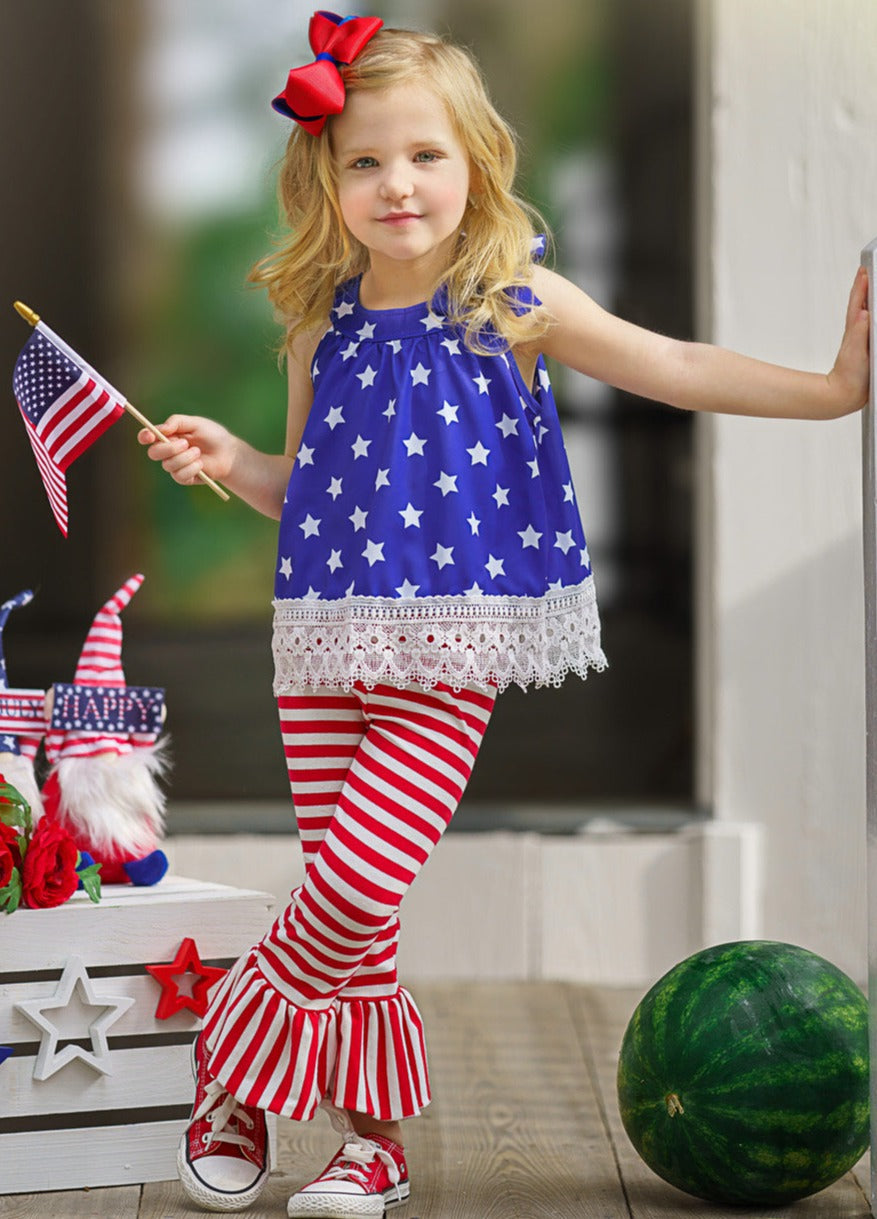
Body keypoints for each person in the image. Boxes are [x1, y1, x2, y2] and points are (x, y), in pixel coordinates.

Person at [139, 13, 870, 1218]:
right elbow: (307, 486)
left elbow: (675, 366)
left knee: (355, 881)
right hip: (321, 639)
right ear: (326, 177)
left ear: (475, 161)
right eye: (366, 161)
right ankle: (373, 1147)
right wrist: (233, 460)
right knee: (358, 911)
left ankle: (230, 1069)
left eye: (424, 154)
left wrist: (836, 391)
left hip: (450, 646)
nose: (397, 184)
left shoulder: (513, 299)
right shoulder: (320, 319)